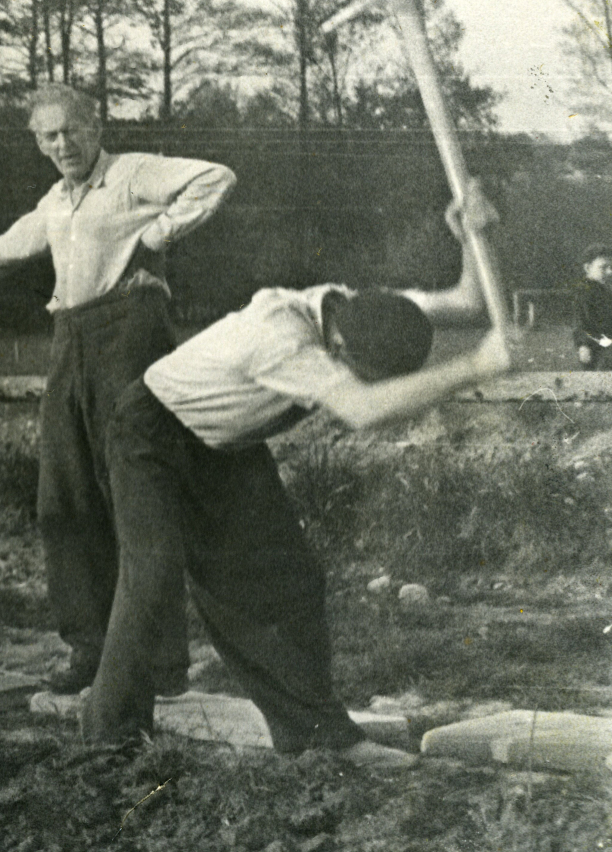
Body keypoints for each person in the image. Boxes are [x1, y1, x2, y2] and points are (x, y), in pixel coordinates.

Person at [80, 194, 510, 768]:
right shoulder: (283, 338)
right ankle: (107, 742)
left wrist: (473, 237)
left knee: (289, 577)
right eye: (366, 373)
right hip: (148, 433)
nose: (370, 381)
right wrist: (476, 367)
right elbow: (363, 409)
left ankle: (317, 737)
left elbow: (467, 301)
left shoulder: (362, 308)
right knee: (153, 574)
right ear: (340, 348)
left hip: (223, 443)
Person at [0, 83, 235, 693]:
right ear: (38, 144)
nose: (62, 144)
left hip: (130, 337)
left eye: (71, 130)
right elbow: (6, 248)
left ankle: (159, 664)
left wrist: (158, 235)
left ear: (95, 127)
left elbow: (215, 177)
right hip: (70, 339)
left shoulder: (131, 174)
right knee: (64, 499)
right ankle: (90, 650)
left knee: (136, 499)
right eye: (49, 136)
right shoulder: (55, 201)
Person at [572, 244, 612, 371]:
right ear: (588, 268)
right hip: (593, 344)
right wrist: (583, 345)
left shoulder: (605, 290)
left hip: (609, 341)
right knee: (603, 371)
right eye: (603, 267)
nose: (610, 272)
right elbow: (580, 322)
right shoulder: (584, 291)